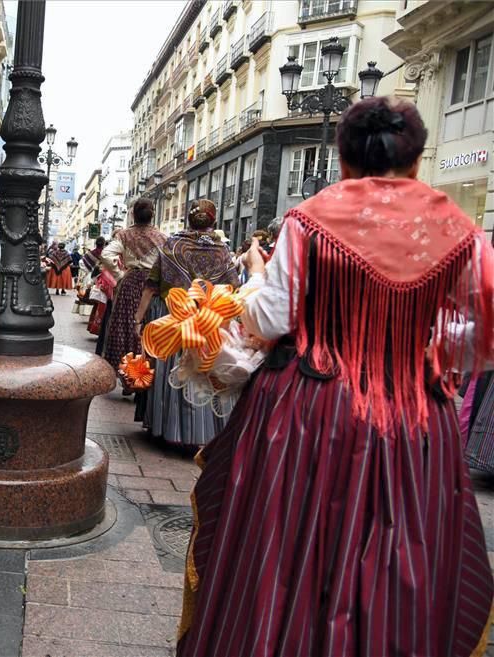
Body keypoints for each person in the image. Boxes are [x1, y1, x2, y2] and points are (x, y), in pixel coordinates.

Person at [177, 97, 494, 657]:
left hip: (307, 410)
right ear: (417, 163)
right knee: (400, 545)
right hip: (413, 416)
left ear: (343, 160)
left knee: (287, 543)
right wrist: (422, 348)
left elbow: (273, 317)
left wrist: (248, 292)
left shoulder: (313, 217)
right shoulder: (457, 229)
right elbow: (480, 339)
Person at [132, 199, 238, 448]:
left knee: (173, 369)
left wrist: (138, 320)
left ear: (188, 219)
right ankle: (205, 434)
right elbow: (233, 287)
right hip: (209, 320)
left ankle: (170, 429)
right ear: (214, 219)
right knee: (203, 369)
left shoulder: (172, 246)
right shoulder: (222, 250)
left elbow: (151, 286)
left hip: (174, 317)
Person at [99, 199, 168, 390]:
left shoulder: (124, 235)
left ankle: (126, 375)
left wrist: (119, 274)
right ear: (152, 214)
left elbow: (105, 255)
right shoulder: (163, 237)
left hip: (130, 284)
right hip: (153, 287)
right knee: (148, 329)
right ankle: (144, 375)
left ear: (133, 215)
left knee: (125, 327)